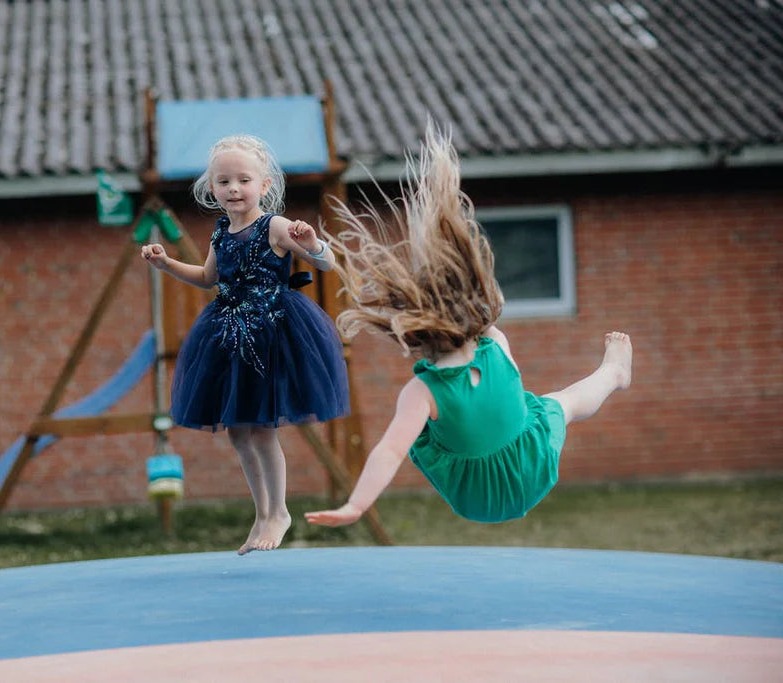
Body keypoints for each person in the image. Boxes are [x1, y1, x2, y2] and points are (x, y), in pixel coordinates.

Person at [304, 129, 631, 528]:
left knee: (474, 421)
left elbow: (389, 450)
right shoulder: (497, 344)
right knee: (566, 402)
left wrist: (356, 506)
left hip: (475, 494)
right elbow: (486, 313)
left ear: (412, 333)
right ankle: (613, 373)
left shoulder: (422, 392)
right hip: (529, 466)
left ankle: (611, 373)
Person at [142, 134, 350, 554]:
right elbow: (206, 278)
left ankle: (280, 512)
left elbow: (327, 262)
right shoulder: (221, 234)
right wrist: (165, 264)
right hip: (229, 336)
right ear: (211, 188)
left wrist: (312, 244)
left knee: (261, 431)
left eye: (243, 180)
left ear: (265, 185)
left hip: (272, 333)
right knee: (239, 434)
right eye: (223, 181)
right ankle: (261, 513)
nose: (233, 189)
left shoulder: (273, 225)